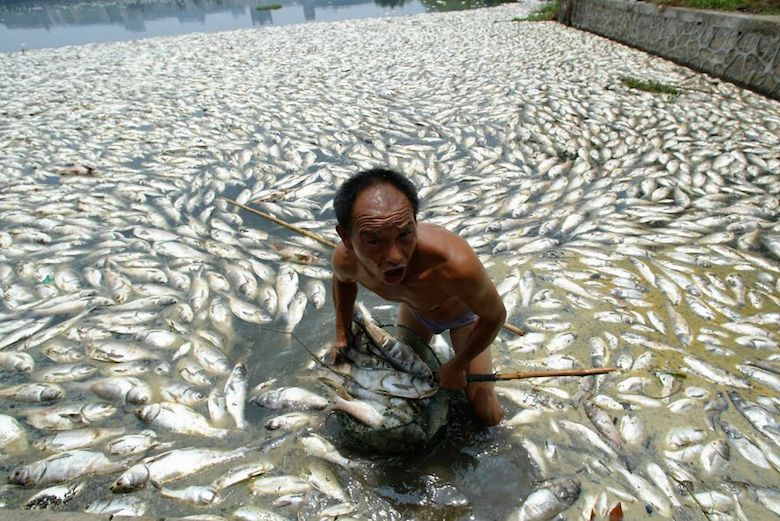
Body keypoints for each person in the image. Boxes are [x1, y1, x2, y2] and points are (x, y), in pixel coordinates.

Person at [330, 168, 506, 426]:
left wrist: (458, 364)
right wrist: (342, 333)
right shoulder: (346, 261)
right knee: (409, 386)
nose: (394, 257)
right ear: (346, 237)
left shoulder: (454, 265)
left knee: (484, 410)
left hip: (463, 317)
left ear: (415, 220)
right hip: (415, 313)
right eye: (374, 242)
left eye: (404, 235)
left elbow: (495, 316)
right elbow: (342, 282)